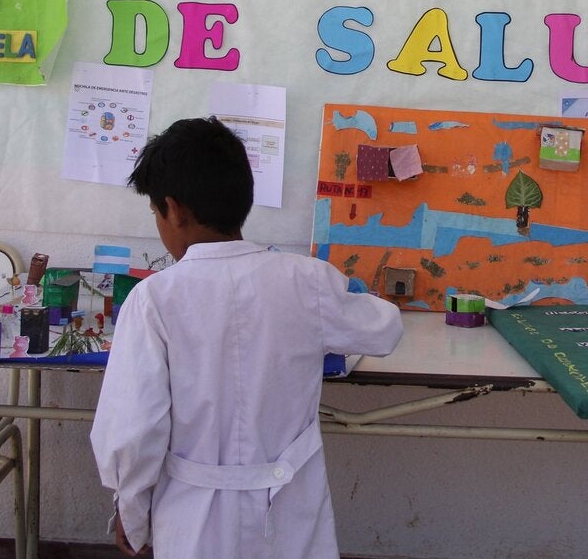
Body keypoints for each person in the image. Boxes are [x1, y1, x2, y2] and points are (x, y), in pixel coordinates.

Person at [92, 117, 403, 559]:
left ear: (174, 210)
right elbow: (385, 329)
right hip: (288, 507)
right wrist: (344, 294)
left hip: (194, 517)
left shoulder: (153, 300)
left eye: (155, 213)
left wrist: (131, 508)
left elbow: (133, 430)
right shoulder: (306, 281)